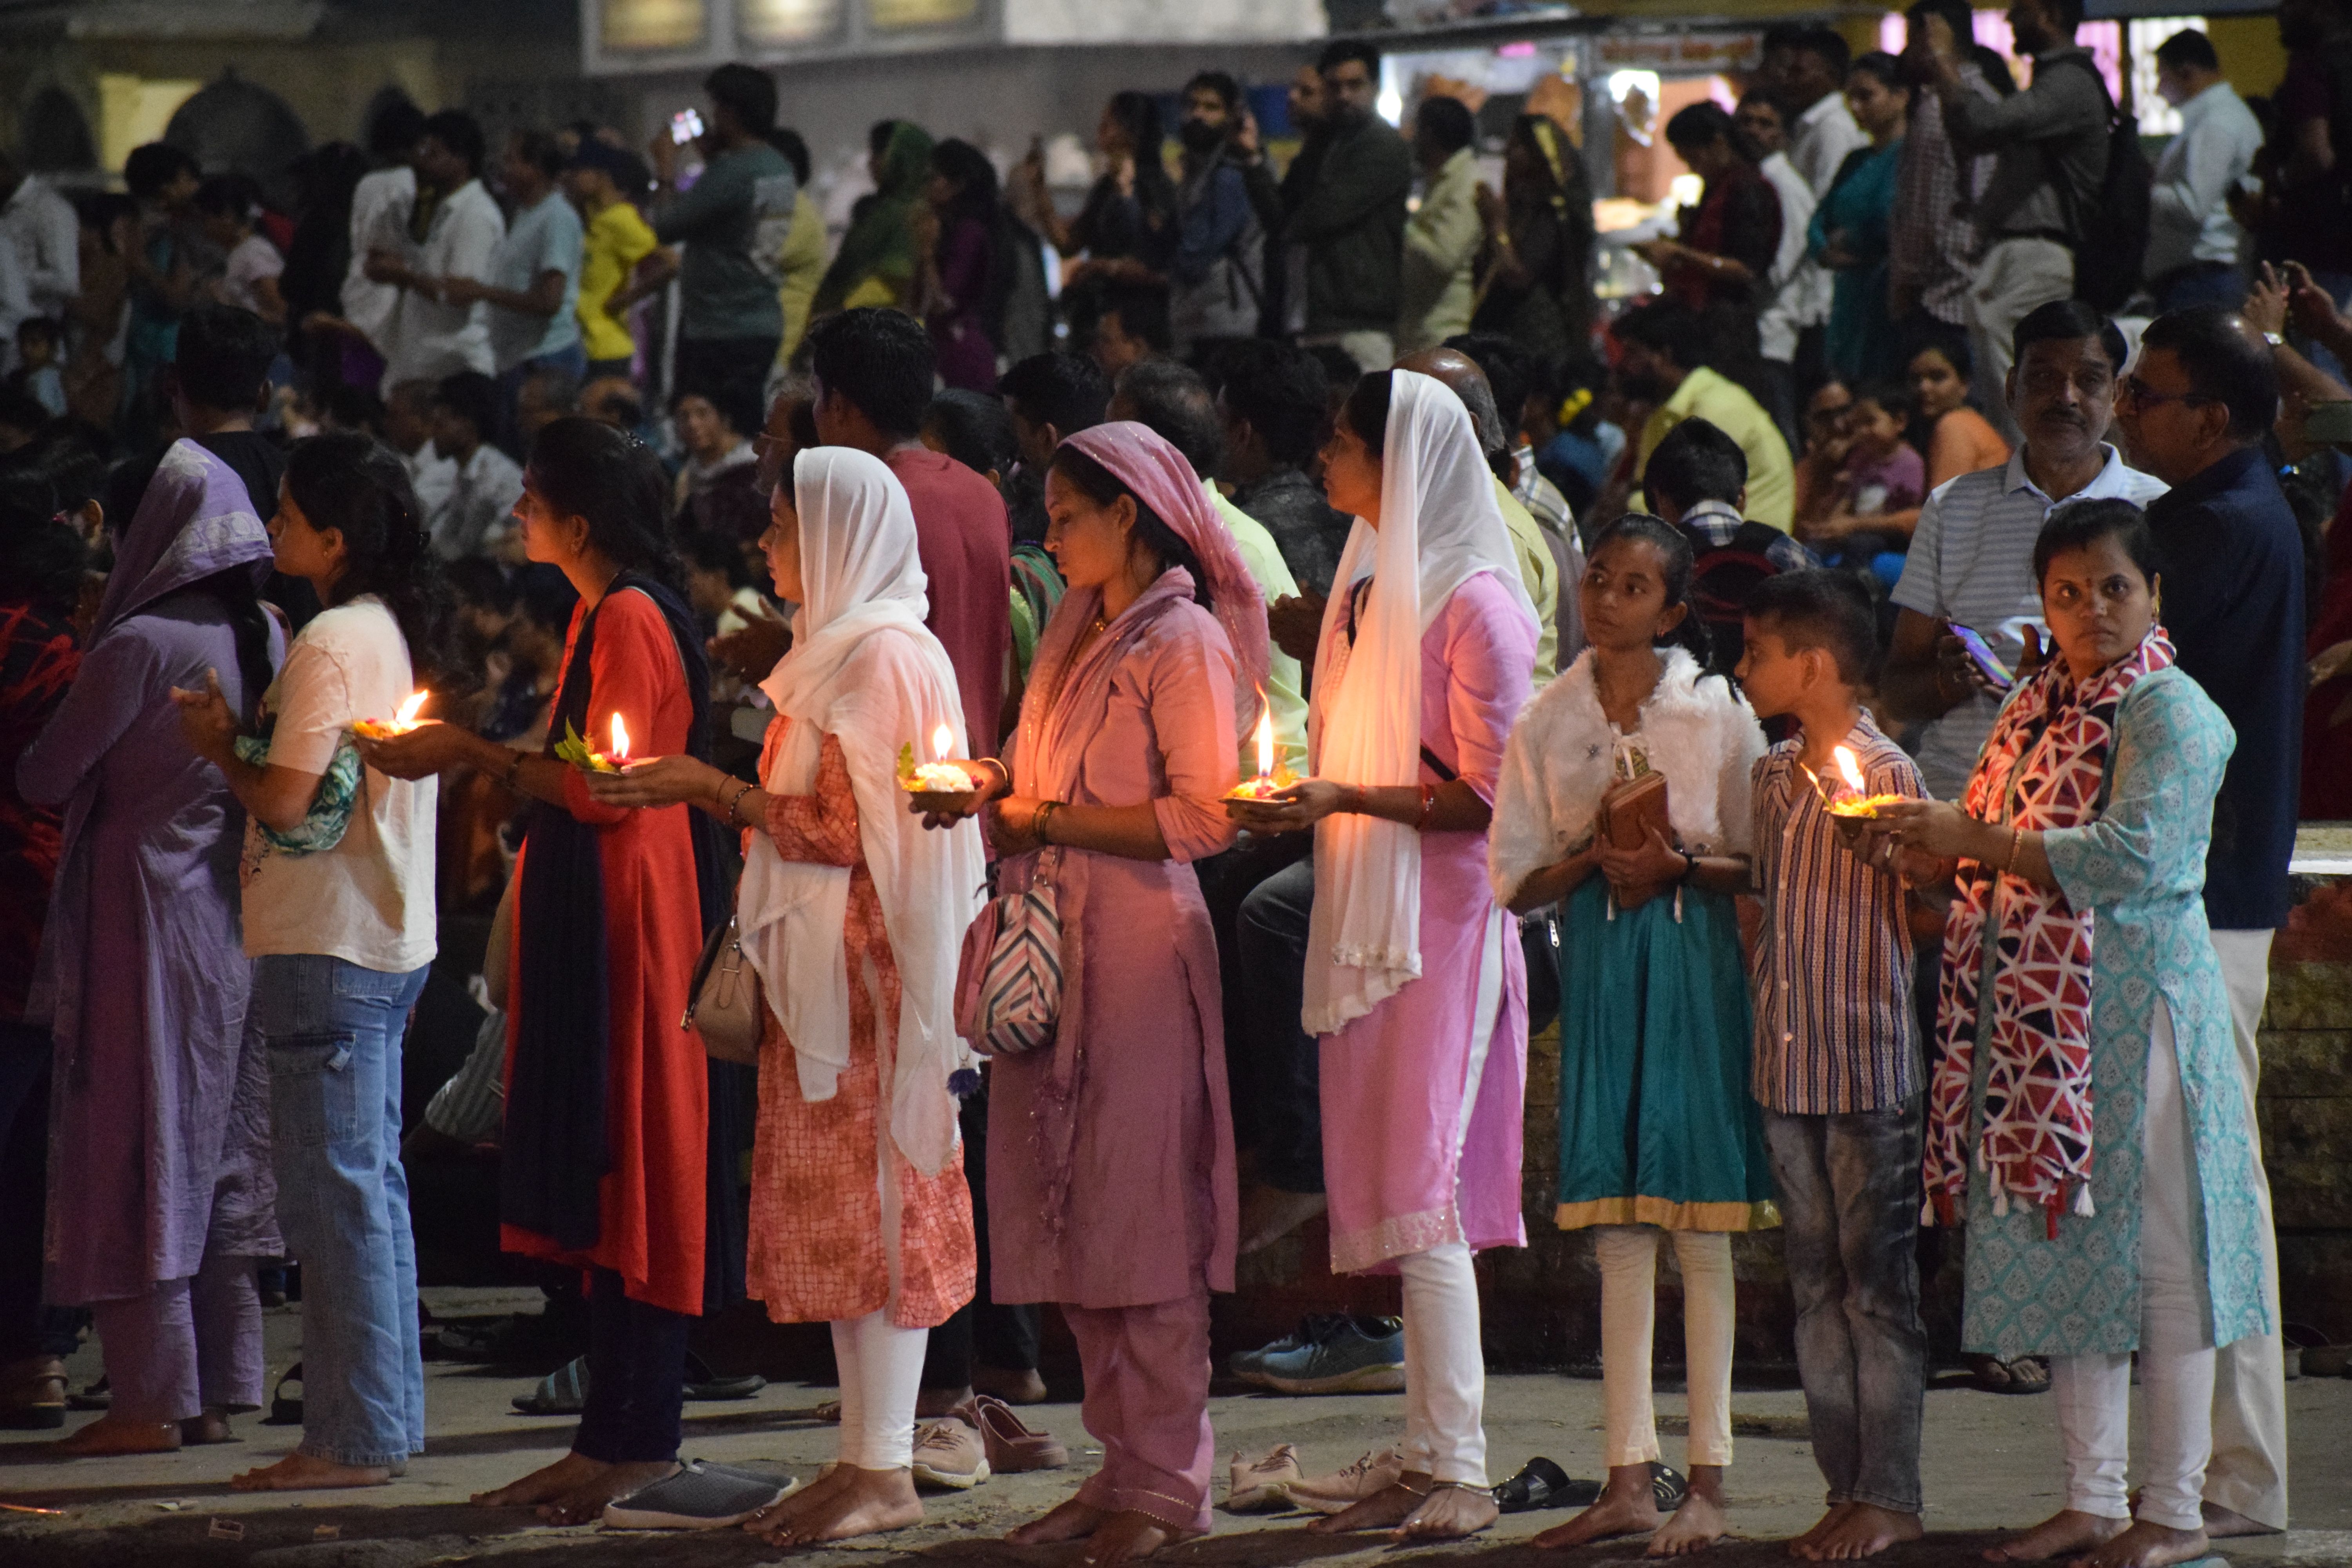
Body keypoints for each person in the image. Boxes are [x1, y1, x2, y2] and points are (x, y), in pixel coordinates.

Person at [583, 446, 985, 1544]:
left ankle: (890, 1468)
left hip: (870, 976)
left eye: (781, 527)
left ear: (840, 538)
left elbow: (855, 833)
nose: (764, 545)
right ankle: (862, 1459)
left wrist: (709, 788)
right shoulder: (830, 653)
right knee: (844, 1224)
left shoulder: (887, 657)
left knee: (883, 1215)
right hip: (822, 971)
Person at [1866, 499, 2270, 1568]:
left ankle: (2174, 1511)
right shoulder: (2037, 704)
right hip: (2046, 1028)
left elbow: (2131, 854)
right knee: (2076, 1259)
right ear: (2042, 604)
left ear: (2155, 595)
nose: (2092, 610)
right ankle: (2091, 1500)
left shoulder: (2173, 711)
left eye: (2114, 589)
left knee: (2166, 1269)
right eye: (2067, 593)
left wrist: (1977, 839)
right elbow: (2001, 835)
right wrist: (1938, 850)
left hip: (2141, 1021)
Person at [358, 418, 723, 1524]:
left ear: (578, 521)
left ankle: (638, 1438)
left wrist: (461, 752)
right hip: (603, 910)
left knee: (637, 1163)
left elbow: (603, 789)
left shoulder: (628, 617)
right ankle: (607, 1436)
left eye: (531, 499)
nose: (516, 514)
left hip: (633, 920)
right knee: (609, 1168)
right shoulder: (602, 611)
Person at [920, 422, 1265, 1563]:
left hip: (1134, 951)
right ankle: (1119, 1467)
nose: (1048, 530)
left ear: (1129, 515)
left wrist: (1048, 821)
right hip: (1052, 945)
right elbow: (1032, 776)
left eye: (1067, 512)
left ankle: (1167, 1483)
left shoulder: (1182, 640)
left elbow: (1203, 817)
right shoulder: (1075, 624)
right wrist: (981, 783)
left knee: (1143, 1217)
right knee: (1069, 1216)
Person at [1230, 370, 1538, 1543]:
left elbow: (1494, 794)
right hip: (1373, 903)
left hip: (1442, 926)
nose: (1324, 459)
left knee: (1428, 1193)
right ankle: (1425, 1448)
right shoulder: (1367, 576)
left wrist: (1345, 793)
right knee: (1396, 1186)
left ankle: (1456, 1467)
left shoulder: (1473, 602)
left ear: (1401, 461)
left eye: (1344, 441)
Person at [1489, 512, 1770, 1556]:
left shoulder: (1715, 712)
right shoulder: (1549, 717)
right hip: (1606, 958)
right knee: (1617, 1233)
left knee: (1700, 1229)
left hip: (1695, 961)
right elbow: (1516, 874)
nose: (1606, 599)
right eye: (1597, 579)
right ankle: (1623, 1474)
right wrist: (1592, 856)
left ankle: (1709, 1476)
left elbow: (1758, 858)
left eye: (1633, 586)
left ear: (1674, 608)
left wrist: (1676, 868)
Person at [167, 433, 444, 1491]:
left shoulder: (330, 639)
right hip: (373, 937)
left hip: (330, 939)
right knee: (365, 1192)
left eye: (286, 515)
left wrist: (220, 746)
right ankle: (377, 1423)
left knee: (337, 1201)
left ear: (335, 536)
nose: (272, 529)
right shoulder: (378, 629)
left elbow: (287, 801)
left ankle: (347, 1440)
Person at [18, 440, 285, 1455]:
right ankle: (219, 1390)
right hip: (228, 912)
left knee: (135, 1146)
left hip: (138, 917)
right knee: (214, 1148)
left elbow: (48, 775)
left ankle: (147, 1399)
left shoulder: (140, 643)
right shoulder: (266, 629)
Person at [2113, 306, 2301, 1541]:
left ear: (2210, 420)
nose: (2126, 410)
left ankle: (2226, 1476)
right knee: (2195, 1194)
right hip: (2213, 891)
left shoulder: (2206, 526)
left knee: (2201, 1198)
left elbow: (2131, 686)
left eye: (2145, 395)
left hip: (2198, 897)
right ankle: (2210, 1467)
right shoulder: (2257, 509)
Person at [1731, 570, 1927, 1563]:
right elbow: (1761, 895)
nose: (1742, 667)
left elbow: (1930, 910)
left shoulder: (1890, 778)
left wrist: (1909, 865)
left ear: (1811, 665)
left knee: (1877, 1286)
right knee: (1812, 1283)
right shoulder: (1770, 777)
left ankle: (1891, 1492)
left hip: (1868, 1061)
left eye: (1758, 652)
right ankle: (1843, 1486)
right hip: (1787, 1062)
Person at [1884, 300, 2165, 804]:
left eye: (2089, 380)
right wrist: (1949, 684)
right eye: (2044, 379)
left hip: (2095, 797)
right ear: (2012, 387)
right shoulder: (1954, 507)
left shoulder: (2157, 509)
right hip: (1962, 788)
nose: (2066, 397)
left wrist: (2064, 687)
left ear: (2118, 394)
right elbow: (1899, 689)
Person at [807, 309, 1010, 756]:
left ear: (839, 406)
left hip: (893, 778)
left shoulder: (865, 506)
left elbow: (851, 669)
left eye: (817, 398)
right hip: (963, 781)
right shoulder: (983, 493)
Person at [1925, 0, 2111, 437]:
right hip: (2020, 246)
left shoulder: (2069, 82)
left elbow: (1983, 124)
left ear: (2050, 13)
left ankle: (2041, 460)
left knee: (2014, 343)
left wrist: (1944, 60)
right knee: (1997, 340)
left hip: (2045, 248)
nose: (2010, 20)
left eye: (2021, 10)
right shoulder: (2051, 79)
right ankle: (2025, 459)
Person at [0, 470, 84, 1431]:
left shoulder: (32, 642)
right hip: (54, 917)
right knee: (37, 1152)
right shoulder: (70, 648)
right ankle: (35, 1358)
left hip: (15, 917)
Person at [1397, 346, 1560, 685]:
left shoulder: (1495, 538)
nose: (1381, 433)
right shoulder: (1425, 513)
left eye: (1403, 417)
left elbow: (1493, 698)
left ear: (1464, 429)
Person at [647, 65, 797, 426]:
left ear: (730, 112)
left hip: (719, 325)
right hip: (759, 319)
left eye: (716, 110)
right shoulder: (776, 165)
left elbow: (666, 227)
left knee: (711, 432)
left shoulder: (733, 172)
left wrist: (666, 166)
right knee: (744, 429)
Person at [1642, 417, 1816, 676]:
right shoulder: (1791, 554)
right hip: (1773, 713)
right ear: (1742, 497)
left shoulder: (1649, 564)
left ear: (1662, 502)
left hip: (1676, 710)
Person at [1011, 95, 1178, 354]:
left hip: (1137, 321)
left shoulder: (1154, 188)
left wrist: (1101, 267)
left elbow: (1159, 263)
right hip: (1101, 316)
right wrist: (1039, 187)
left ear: (1131, 132)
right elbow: (1068, 244)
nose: (1100, 131)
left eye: (1108, 124)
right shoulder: (1105, 188)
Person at [1287, 41, 1414, 375]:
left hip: (1360, 323)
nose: (1343, 96)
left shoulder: (1381, 146)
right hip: (1322, 318)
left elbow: (1312, 218)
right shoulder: (1330, 143)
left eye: (1355, 85)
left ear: (1375, 87)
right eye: (1334, 86)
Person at [1616, 299, 1797, 528]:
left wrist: (1625, 506)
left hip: (1748, 553)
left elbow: (1698, 504)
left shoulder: (1717, 405)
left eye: (1632, 353)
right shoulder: (1663, 416)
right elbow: (1643, 489)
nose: (1623, 365)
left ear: (1664, 356)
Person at [1887, 0, 2000, 353]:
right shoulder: (1988, 96)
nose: (1905, 54)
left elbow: (1926, 214)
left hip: (1943, 299)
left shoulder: (1938, 109)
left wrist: (1904, 283)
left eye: (1912, 39)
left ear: (1933, 37)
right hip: (1980, 290)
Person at [365, 110, 504, 387]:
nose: (421, 161)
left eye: (433, 154)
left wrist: (404, 275)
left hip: (453, 363)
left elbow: (458, 294)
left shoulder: (475, 214)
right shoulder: (446, 208)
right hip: (429, 360)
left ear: (461, 159)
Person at [455, 131, 584, 420]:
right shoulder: (527, 212)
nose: (503, 168)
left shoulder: (556, 217)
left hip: (545, 357)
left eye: (512, 160)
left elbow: (550, 300)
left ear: (536, 168)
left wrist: (482, 292)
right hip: (520, 357)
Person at [1639, 102, 1781, 362]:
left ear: (1717, 144)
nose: (1694, 169)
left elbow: (1745, 269)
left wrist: (1681, 253)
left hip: (1730, 325)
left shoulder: (1747, 189)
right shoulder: (1717, 188)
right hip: (1707, 320)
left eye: (1694, 159)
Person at [1214, 339, 1351, 597]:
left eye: (1219, 420)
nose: (1212, 433)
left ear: (1244, 434)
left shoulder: (1238, 532)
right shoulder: (1351, 521)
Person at [2143, 31, 2263, 312]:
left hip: (2202, 279)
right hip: (2205, 277)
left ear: (2186, 72)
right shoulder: (2223, 116)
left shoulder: (2214, 123)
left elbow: (2191, 206)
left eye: (2163, 76)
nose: (2160, 90)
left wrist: (2146, 188)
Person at [1810, 54, 1909, 387]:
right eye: (1850, 98)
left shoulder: (1911, 157)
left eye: (1866, 96)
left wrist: (1851, 239)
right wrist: (1827, 247)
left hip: (1886, 292)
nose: (1855, 107)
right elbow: (1818, 222)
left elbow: (1886, 221)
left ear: (1901, 96)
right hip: (1850, 294)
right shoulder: (1856, 161)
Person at [1470, 112, 1596, 374]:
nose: (1507, 153)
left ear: (1539, 154)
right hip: (1506, 331)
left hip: (1540, 338)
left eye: (1517, 146)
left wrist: (1496, 227)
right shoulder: (1519, 207)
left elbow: (1519, 276)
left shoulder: (1553, 212)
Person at [1734, 90, 1826, 444]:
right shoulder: (1757, 179)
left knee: (1780, 428)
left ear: (1783, 135)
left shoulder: (1783, 185)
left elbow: (1781, 262)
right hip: (1768, 326)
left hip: (1777, 327)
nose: (1753, 131)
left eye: (1765, 124)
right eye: (1745, 122)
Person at [1167, 72, 1269, 359]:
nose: (1198, 115)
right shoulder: (1197, 170)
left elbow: (1197, 251)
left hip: (1226, 322)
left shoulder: (1230, 173)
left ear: (1232, 115)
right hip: (1201, 319)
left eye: (1211, 108)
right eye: (1192, 106)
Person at [119, 143, 204, 443]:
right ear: (165, 186)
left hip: (142, 339)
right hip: (167, 343)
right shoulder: (175, 230)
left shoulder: (128, 225)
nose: (195, 187)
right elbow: (178, 297)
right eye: (187, 179)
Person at [817, 120, 936, 321]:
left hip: (877, 333)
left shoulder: (911, 218)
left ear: (901, 159)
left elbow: (895, 282)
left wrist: (841, 315)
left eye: (878, 154)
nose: (870, 163)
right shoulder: (880, 211)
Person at [561, 141, 655, 383]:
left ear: (600, 175)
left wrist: (623, 300)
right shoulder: (594, 217)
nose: (571, 178)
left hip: (608, 347)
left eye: (578, 171)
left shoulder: (621, 218)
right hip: (584, 345)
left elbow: (668, 263)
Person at [1397, 95, 1483, 356]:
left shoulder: (1465, 183)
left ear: (1430, 133)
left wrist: (1402, 226)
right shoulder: (1444, 181)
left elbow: (1443, 257)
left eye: (1416, 128)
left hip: (1442, 335)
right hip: (1426, 333)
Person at [916, 138, 1003, 394]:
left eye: (933, 178)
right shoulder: (944, 232)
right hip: (944, 349)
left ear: (957, 185)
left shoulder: (969, 233)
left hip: (962, 355)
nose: (926, 187)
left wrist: (927, 252)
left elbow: (944, 301)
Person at [426, 370, 525, 561]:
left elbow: (515, 546)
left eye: (440, 424)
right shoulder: (466, 472)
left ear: (467, 426)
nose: (433, 435)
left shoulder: (497, 477)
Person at [1769, 25, 1871, 198]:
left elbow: (1827, 199)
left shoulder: (1833, 128)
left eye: (1798, 73)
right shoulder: (1815, 124)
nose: (1787, 81)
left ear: (1831, 76)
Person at [764, 127, 828, 366]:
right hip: (774, 337)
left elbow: (755, 258)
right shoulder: (780, 211)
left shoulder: (796, 212)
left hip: (785, 342)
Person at [0, 150, 81, 332]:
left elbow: (66, 281)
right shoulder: (5, 209)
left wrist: (12, 278)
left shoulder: (49, 209)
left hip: (38, 335)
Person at [194, 178, 287, 326]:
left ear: (227, 216)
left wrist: (227, 306)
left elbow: (281, 316)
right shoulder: (240, 252)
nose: (204, 229)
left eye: (205, 220)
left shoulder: (253, 252)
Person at [668, 385, 757, 511]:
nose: (693, 424)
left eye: (702, 414)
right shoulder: (689, 474)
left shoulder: (753, 466)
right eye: (684, 417)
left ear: (725, 420)